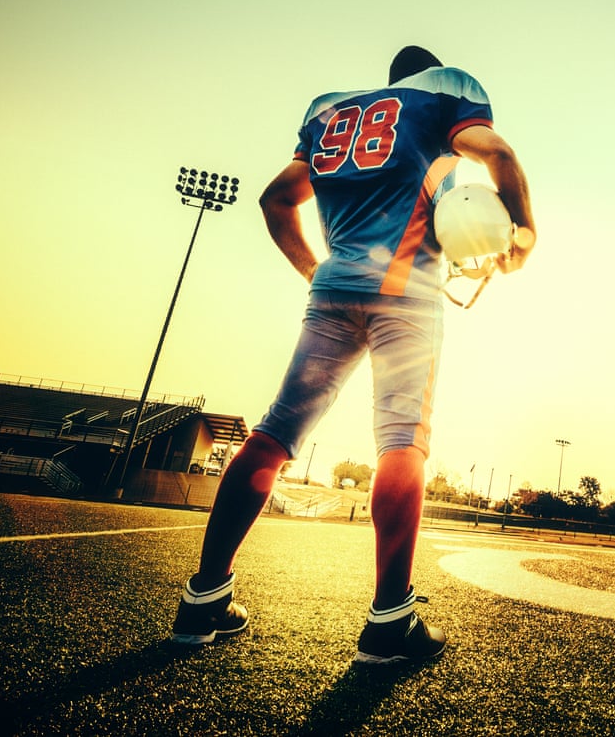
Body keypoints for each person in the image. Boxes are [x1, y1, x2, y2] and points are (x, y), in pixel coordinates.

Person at [170, 46, 535, 665]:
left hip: (334, 291)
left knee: (274, 434)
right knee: (401, 441)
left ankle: (202, 599)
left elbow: (275, 199)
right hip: (406, 296)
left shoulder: (330, 111)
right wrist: (524, 232)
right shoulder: (444, 93)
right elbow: (496, 154)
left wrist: (318, 271)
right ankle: (390, 620)